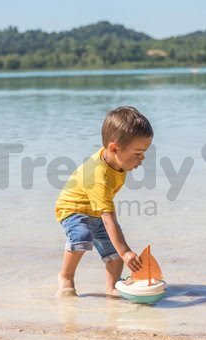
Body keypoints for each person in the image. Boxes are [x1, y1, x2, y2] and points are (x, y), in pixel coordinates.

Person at [55, 106, 154, 298]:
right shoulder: (99, 176)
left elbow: (106, 215)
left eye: (144, 152)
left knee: (114, 254)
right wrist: (126, 251)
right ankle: (66, 277)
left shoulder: (115, 159)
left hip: (95, 210)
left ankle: (112, 287)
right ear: (114, 148)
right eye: (138, 153)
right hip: (73, 208)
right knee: (82, 237)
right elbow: (109, 219)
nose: (142, 158)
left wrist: (121, 252)